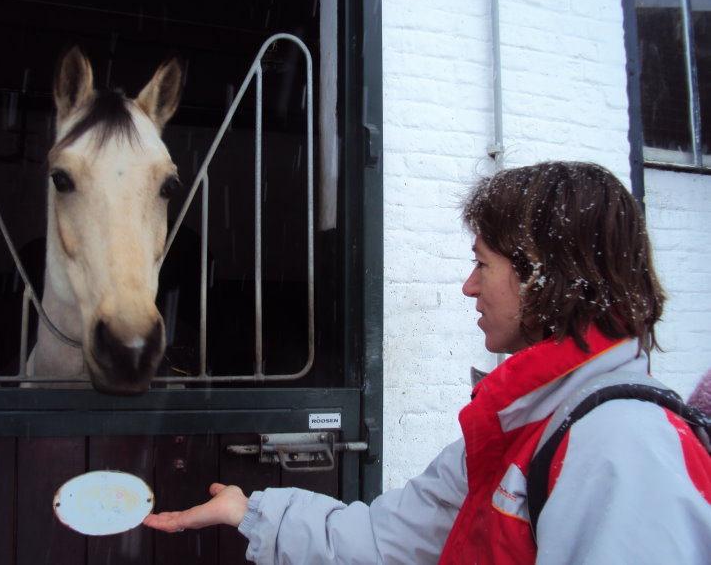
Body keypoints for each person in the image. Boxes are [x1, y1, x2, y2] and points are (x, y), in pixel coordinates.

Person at [144, 161, 711, 563]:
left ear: (543, 273)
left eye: (481, 264)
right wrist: (252, 513)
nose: (468, 287)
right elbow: (387, 540)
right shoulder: (521, 427)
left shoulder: (624, 451)